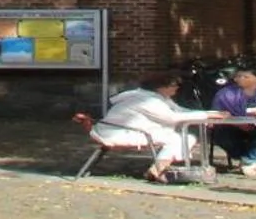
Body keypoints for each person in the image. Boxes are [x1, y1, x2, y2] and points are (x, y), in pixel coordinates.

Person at [91, 74, 220, 183]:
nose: (177, 88)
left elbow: (180, 111)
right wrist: (206, 115)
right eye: (173, 85)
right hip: (118, 133)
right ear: (161, 88)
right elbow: (171, 117)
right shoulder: (147, 100)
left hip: (126, 129)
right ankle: (158, 170)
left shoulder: (157, 97)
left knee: (182, 138)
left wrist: (207, 114)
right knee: (181, 139)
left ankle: (158, 169)